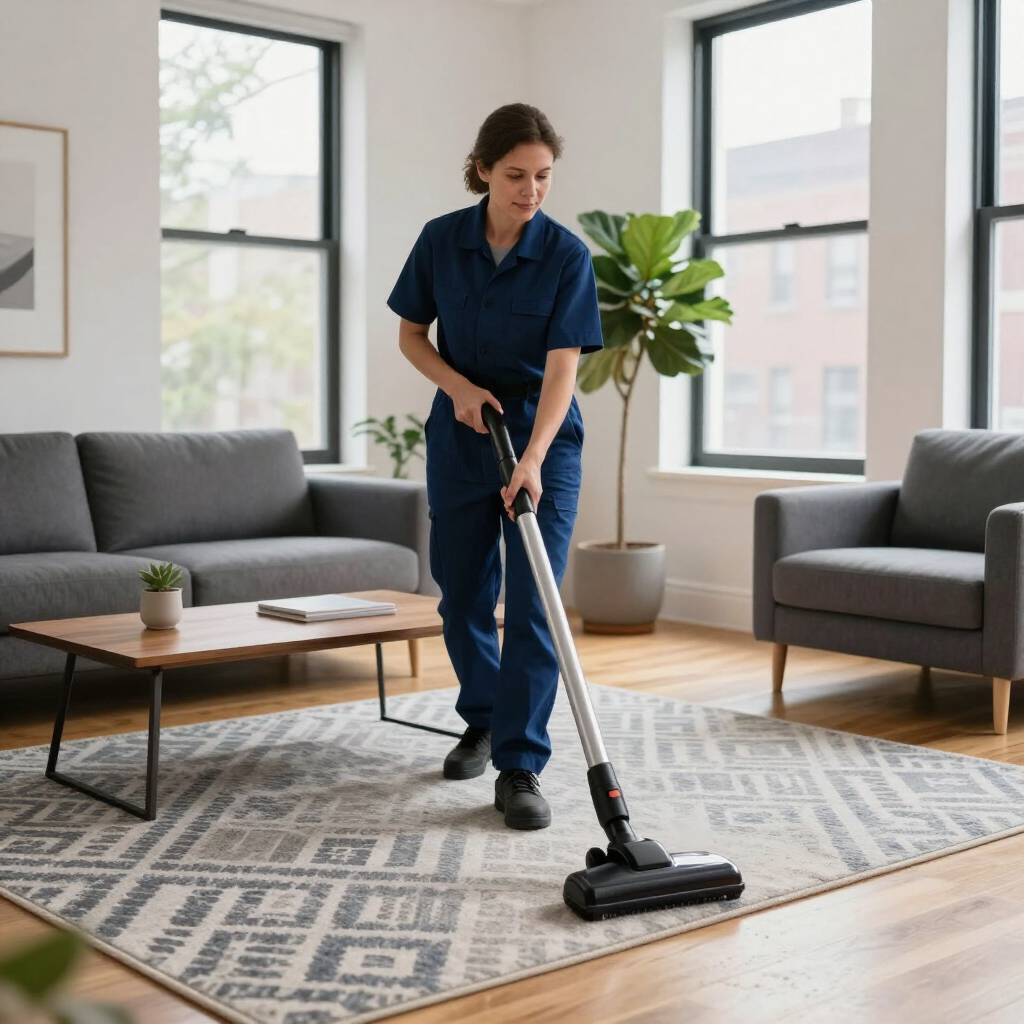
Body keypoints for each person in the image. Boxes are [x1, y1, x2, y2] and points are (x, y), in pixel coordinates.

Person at [387, 103, 602, 830]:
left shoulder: (567, 256)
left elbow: (563, 367)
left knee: (534, 601)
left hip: (542, 441)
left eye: (543, 176)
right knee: (462, 595)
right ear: (482, 168)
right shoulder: (441, 241)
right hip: (462, 434)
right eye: (516, 175)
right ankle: (483, 716)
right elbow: (412, 335)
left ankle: (519, 763)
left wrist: (535, 457)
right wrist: (457, 387)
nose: (531, 190)